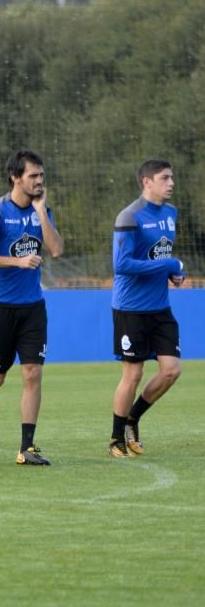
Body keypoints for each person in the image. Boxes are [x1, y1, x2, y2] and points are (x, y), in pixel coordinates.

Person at [0, 150, 64, 466]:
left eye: (41, 176)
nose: (39, 181)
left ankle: (27, 448)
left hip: (33, 307)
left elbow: (56, 250)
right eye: (33, 176)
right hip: (0, 308)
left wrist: (42, 212)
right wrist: (16, 261)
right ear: (15, 177)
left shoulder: (41, 210)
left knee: (33, 373)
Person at [108, 158, 185, 458]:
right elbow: (122, 265)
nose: (171, 183)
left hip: (160, 308)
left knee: (171, 371)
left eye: (172, 177)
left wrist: (171, 273)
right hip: (130, 308)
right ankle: (116, 439)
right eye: (165, 178)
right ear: (146, 182)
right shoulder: (130, 216)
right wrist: (167, 264)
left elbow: (158, 255)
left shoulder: (170, 213)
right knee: (133, 374)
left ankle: (133, 417)